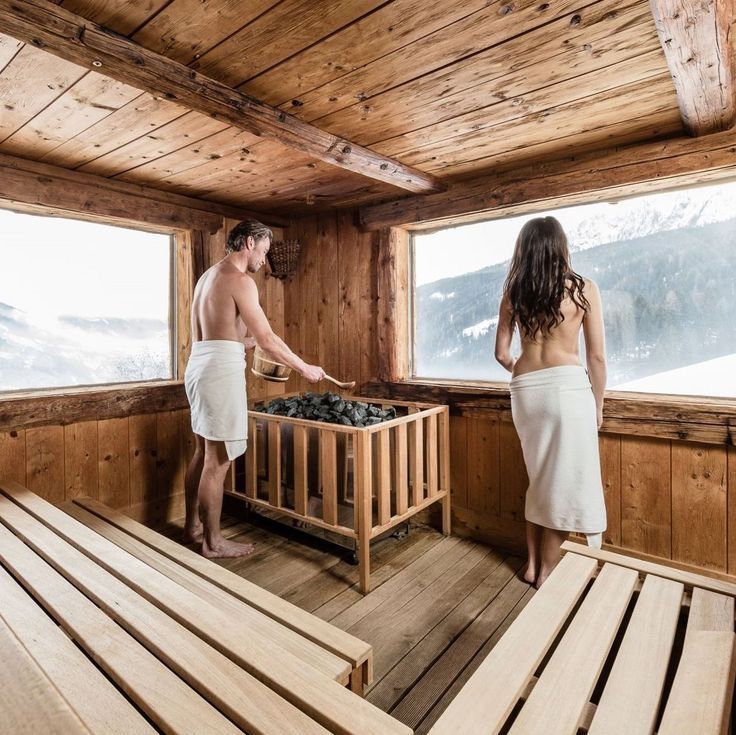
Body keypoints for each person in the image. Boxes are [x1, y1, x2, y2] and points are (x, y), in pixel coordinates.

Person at [183, 219, 325, 558]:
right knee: (218, 462)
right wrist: (304, 367)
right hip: (219, 373)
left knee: (203, 452)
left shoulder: (208, 277)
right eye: (263, 250)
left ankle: (192, 526)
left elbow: (218, 334)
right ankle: (213, 543)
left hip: (199, 365)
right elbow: (268, 339)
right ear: (249, 243)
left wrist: (242, 343)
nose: (264, 259)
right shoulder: (241, 281)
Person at [494, 216, 607, 588]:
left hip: (525, 390)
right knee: (564, 484)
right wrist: (599, 405)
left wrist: (522, 370)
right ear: (561, 246)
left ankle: (529, 564)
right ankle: (547, 571)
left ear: (524, 248)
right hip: (566, 389)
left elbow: (501, 354)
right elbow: (596, 359)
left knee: (540, 478)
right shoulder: (583, 289)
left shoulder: (514, 291)